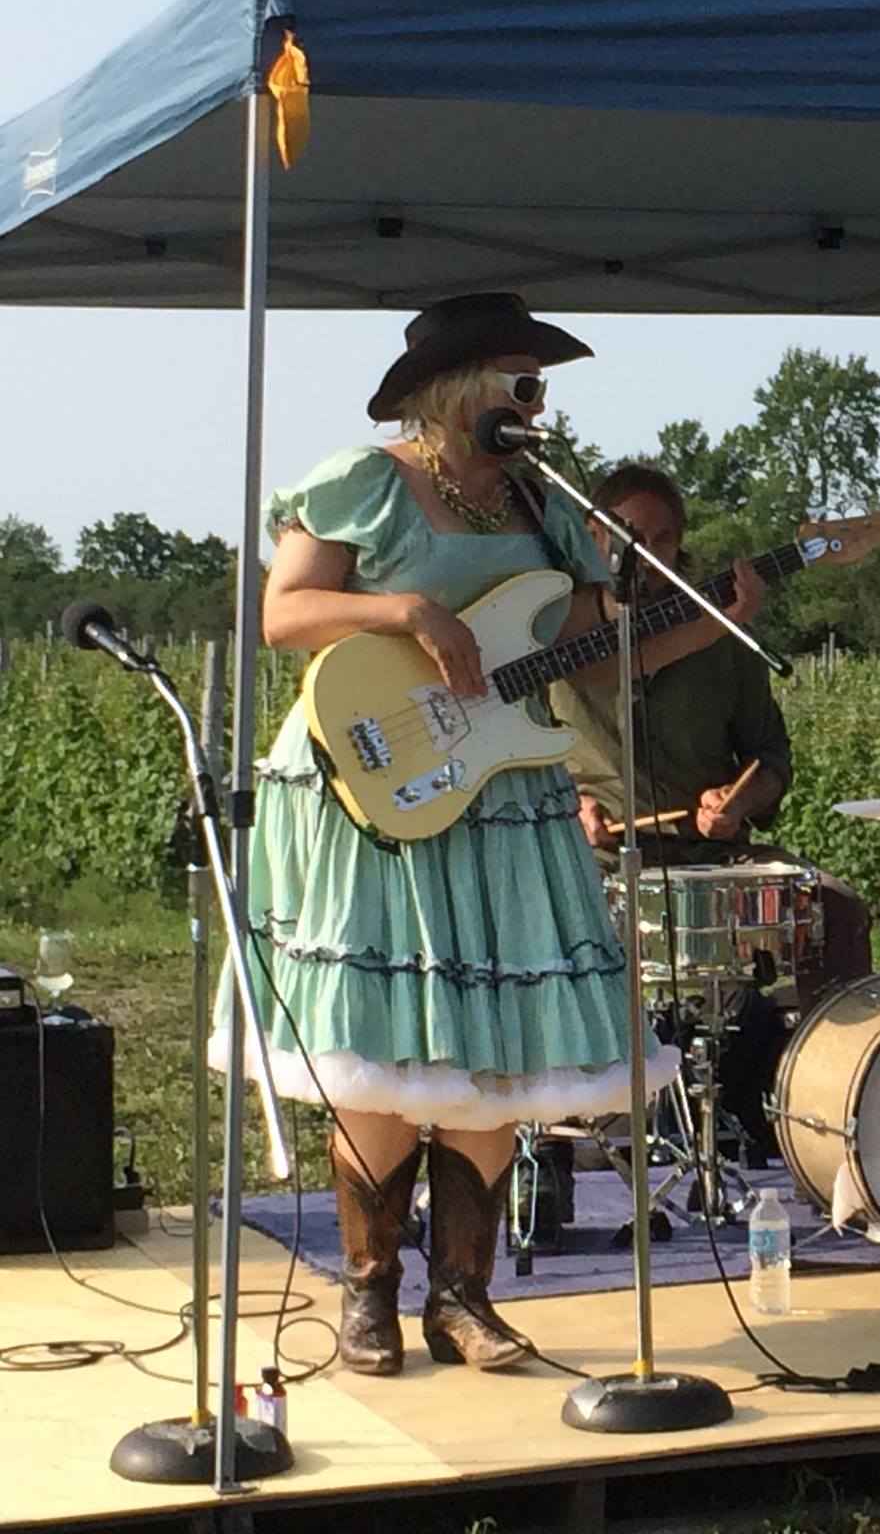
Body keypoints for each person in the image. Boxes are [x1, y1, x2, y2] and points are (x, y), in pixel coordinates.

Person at [212, 293, 749, 1376]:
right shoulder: (366, 482)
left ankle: (462, 1296)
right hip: (373, 786)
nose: (536, 403)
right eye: (521, 381)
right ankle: (370, 1291)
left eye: (540, 386)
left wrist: (719, 612)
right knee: (386, 1048)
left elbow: (595, 660)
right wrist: (405, 611)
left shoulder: (545, 512)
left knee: (495, 1056)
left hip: (502, 799)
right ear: (458, 390)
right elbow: (284, 615)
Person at [550, 463, 875, 1018]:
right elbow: (511, 749)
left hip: (713, 856)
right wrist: (568, 805)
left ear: (680, 547)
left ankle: (814, 1078)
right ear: (592, 535)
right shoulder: (555, 629)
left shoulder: (724, 640)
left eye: (662, 540)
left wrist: (736, 800)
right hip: (597, 856)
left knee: (836, 908)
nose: (646, 556)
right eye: (629, 538)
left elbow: (770, 758)